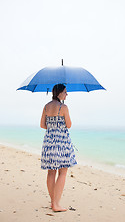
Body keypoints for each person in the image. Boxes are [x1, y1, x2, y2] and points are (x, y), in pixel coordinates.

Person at [40, 84, 77, 212]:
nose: (67, 94)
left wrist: (52, 128)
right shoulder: (64, 107)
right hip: (61, 143)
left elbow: (42, 125)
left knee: (51, 172)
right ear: (59, 93)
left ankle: (53, 202)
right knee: (63, 172)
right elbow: (69, 125)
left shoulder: (46, 107)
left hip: (49, 143)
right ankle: (56, 204)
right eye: (65, 92)